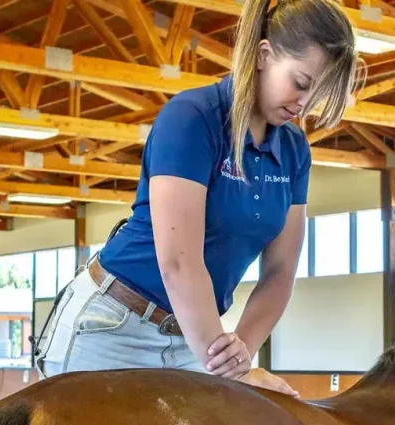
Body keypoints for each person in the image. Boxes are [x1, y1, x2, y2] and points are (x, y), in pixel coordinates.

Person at [34, 0, 362, 396]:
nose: (304, 104)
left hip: (193, 341)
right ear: (263, 55)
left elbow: (280, 274)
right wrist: (232, 372)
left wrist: (237, 355)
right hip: (113, 328)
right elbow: (179, 262)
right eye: (302, 84)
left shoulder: (294, 150)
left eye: (318, 94)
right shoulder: (192, 117)